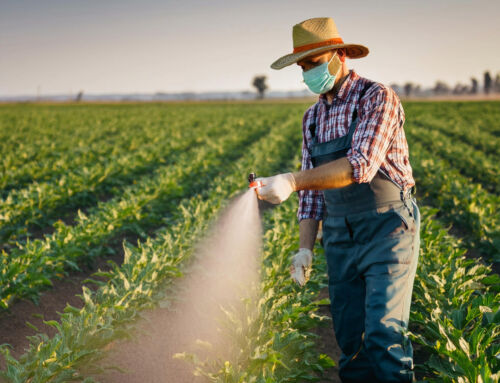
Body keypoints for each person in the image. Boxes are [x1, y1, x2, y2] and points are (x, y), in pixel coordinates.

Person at [255, 17, 420, 383]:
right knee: (351, 342)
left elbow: (360, 166)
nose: (308, 73)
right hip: (339, 235)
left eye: (315, 62)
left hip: (387, 228)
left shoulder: (377, 97)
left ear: (340, 55)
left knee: (383, 335)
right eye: (303, 67)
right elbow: (313, 197)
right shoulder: (312, 118)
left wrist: (292, 180)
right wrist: (305, 249)